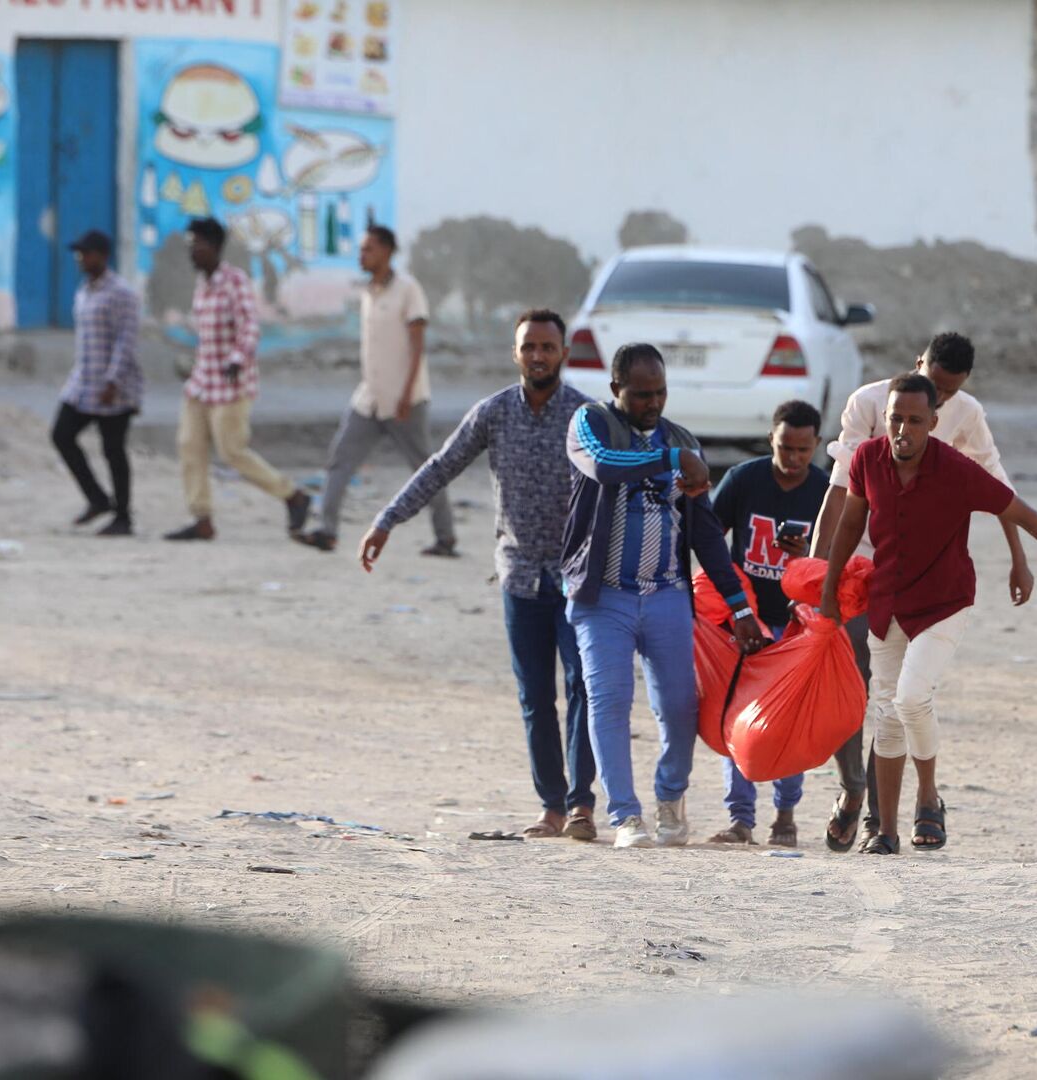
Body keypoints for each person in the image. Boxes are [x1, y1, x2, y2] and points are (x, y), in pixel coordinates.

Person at [817, 373, 1037, 855]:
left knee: (911, 699)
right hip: (887, 602)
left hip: (943, 603)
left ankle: (930, 797)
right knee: (887, 715)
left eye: (915, 421)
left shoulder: (957, 470)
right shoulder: (868, 460)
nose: (903, 430)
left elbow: (1025, 515)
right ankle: (886, 832)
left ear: (934, 423)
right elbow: (852, 522)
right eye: (896, 419)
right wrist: (828, 587)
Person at [358, 309, 597, 840]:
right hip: (518, 577)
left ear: (563, 353)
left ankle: (582, 805)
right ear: (515, 354)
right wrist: (388, 519)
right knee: (535, 696)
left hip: (577, 577)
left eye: (547, 347)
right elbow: (440, 466)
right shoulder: (493, 413)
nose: (538, 355)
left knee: (583, 687)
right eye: (528, 346)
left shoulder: (587, 417)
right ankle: (551, 808)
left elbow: (622, 483)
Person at [810, 331, 1032, 853]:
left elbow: (998, 487)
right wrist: (819, 572)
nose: (938, 398)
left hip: (920, 571)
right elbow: (840, 492)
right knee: (852, 688)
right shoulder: (870, 402)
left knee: (895, 699)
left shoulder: (966, 414)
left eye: (948, 393)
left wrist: (1018, 557)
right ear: (916, 365)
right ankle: (851, 790)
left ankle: (880, 820)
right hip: (860, 565)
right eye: (933, 383)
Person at [562, 343, 768, 850]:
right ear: (616, 391)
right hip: (602, 596)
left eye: (660, 393)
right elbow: (608, 466)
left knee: (679, 708)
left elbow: (705, 535)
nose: (652, 404)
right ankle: (625, 817)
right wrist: (674, 460)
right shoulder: (590, 424)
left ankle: (670, 797)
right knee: (609, 702)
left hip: (667, 597)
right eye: (640, 395)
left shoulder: (681, 439)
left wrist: (739, 605)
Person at [703, 400, 829, 847]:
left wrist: (804, 558)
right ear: (770, 438)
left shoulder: (825, 489)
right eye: (784, 448)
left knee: (788, 723)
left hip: (797, 623)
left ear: (816, 444)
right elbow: (709, 538)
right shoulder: (744, 479)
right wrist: (729, 607)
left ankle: (786, 815)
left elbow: (837, 560)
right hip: (746, 621)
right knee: (738, 720)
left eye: (802, 450)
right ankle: (740, 819)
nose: (792, 459)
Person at [297, 226, 454, 555]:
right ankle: (327, 530)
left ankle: (446, 537)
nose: (361, 255)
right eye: (361, 249)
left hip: (404, 400)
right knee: (341, 459)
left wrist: (407, 394)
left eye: (368, 249)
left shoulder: (408, 289)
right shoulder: (369, 292)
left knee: (424, 470)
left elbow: (417, 346)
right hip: (369, 397)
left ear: (386, 251)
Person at [164, 217, 311, 542]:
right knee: (189, 446)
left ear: (214, 247)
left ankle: (292, 496)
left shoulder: (235, 281)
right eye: (190, 246)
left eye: (197, 246)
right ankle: (202, 518)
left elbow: (250, 326)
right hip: (202, 381)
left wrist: (235, 360)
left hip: (232, 384)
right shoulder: (202, 284)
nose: (192, 253)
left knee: (232, 452)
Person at [52, 230, 142, 537]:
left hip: (113, 387)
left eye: (86, 254)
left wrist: (114, 379)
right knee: (62, 434)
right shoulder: (84, 291)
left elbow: (126, 339)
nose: (81, 260)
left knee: (113, 450)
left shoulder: (121, 293)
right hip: (84, 383)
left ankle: (123, 516)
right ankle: (97, 498)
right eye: (79, 254)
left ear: (102, 256)